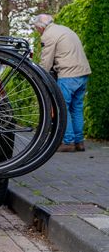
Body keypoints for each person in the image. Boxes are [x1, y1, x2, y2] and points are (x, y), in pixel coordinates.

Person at [32, 14, 91, 152]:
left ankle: (68, 141)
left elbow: (46, 61)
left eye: (36, 28)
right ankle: (79, 142)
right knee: (76, 108)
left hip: (68, 75)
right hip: (82, 73)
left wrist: (38, 75)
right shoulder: (65, 29)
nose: (37, 31)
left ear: (41, 26)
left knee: (62, 108)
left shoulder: (48, 35)